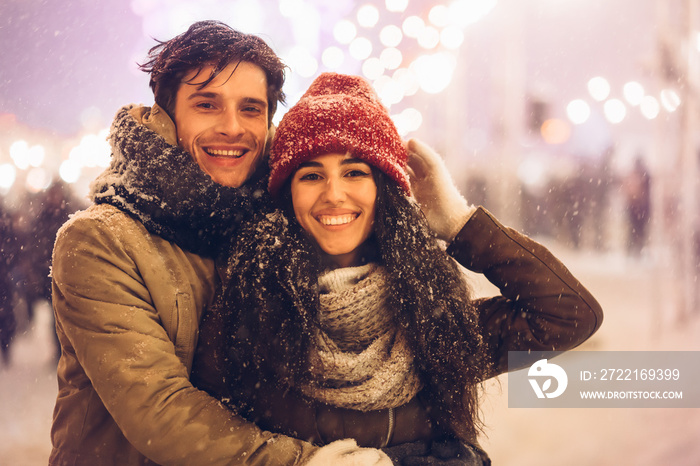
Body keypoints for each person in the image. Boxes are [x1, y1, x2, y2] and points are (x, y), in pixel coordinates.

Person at [193, 73, 604, 465]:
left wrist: (459, 222)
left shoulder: (437, 317)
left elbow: (569, 315)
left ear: (384, 190)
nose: (334, 194)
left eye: (354, 172)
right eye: (311, 175)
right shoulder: (250, 309)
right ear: (288, 197)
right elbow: (209, 436)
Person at [50, 21, 391, 465]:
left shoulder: (287, 224)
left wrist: (462, 227)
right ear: (166, 116)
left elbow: (512, 344)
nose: (232, 128)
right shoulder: (99, 241)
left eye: (251, 109)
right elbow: (159, 409)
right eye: (207, 104)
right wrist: (303, 462)